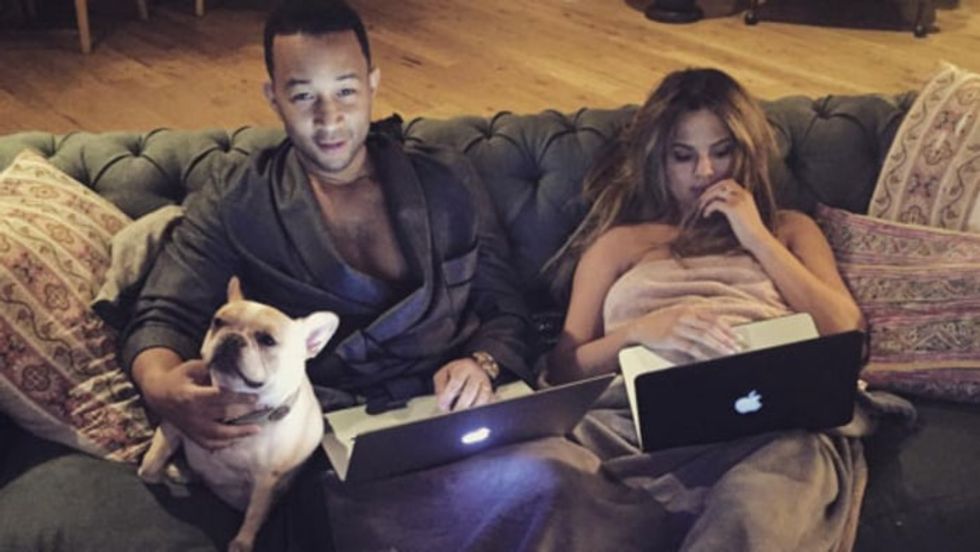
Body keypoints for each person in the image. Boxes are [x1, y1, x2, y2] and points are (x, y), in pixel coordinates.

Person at [122, 0, 534, 455]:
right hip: (319, 434)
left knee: (556, 473)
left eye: (346, 91)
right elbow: (165, 314)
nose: (329, 117)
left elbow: (504, 305)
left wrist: (481, 364)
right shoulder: (237, 197)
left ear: (372, 85)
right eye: (303, 96)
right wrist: (161, 388)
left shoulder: (448, 180)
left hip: (447, 412)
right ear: (273, 97)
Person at [546, 67, 864, 384]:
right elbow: (564, 370)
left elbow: (848, 334)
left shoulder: (790, 229)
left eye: (722, 152)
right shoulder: (618, 245)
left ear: (746, 153)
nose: (705, 171)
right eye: (683, 156)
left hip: (772, 390)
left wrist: (758, 240)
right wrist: (635, 334)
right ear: (657, 160)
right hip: (653, 399)